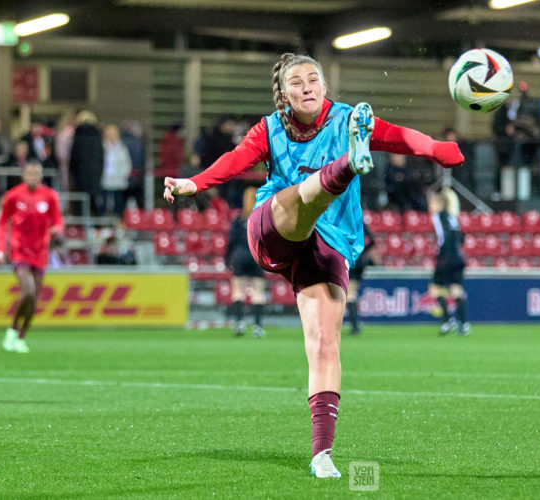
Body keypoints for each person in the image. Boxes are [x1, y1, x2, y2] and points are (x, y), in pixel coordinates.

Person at [163, 52, 463, 478]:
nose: (307, 86)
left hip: (331, 243)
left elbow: (400, 138)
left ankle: (322, 453)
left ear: (323, 86)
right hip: (273, 230)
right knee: (299, 199)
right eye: (298, 82)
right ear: (284, 95)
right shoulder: (268, 128)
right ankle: (345, 167)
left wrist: (437, 149)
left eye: (314, 79)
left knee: (325, 344)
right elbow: (234, 160)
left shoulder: (346, 119)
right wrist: (193, 182)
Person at [0, 160, 64, 353]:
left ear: (41, 176)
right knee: (27, 291)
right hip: (20, 251)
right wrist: (1, 249)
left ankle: (20, 336)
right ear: (23, 175)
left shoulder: (49, 196)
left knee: (34, 301)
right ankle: (11, 331)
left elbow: (58, 219)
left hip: (40, 252)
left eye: (36, 173)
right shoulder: (14, 195)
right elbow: (2, 223)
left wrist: (57, 229)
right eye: (29, 173)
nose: (33, 176)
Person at [226, 186, 267, 337]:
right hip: (256, 255)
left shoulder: (239, 219)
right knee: (258, 292)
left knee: (238, 291)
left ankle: (239, 322)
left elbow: (231, 241)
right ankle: (257, 326)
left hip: (240, 255)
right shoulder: (262, 218)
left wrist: (228, 258)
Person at [427, 188, 469, 336]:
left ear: (439, 204)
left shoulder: (438, 217)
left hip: (446, 257)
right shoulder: (453, 217)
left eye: (432, 203)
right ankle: (464, 324)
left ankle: (447, 321)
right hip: (458, 256)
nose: (430, 206)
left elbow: (443, 237)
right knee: (456, 289)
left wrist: (441, 252)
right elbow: (461, 236)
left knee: (435, 289)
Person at [69, 110, 104, 215]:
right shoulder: (97, 137)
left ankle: (79, 227)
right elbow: (101, 158)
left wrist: (73, 172)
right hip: (94, 174)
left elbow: (74, 158)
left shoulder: (78, 136)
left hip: (80, 174)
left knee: (80, 202)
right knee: (94, 202)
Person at [346, 223, 376, 336]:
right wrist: (363, 250)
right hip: (361, 260)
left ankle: (355, 326)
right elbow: (372, 240)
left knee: (350, 294)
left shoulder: (345, 221)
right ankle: (355, 324)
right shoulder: (361, 223)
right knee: (353, 292)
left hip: (351, 259)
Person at [101, 124, 133, 217]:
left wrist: (123, 175)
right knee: (104, 203)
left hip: (118, 181)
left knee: (118, 204)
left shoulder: (122, 148)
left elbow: (127, 164)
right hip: (105, 180)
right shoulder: (102, 147)